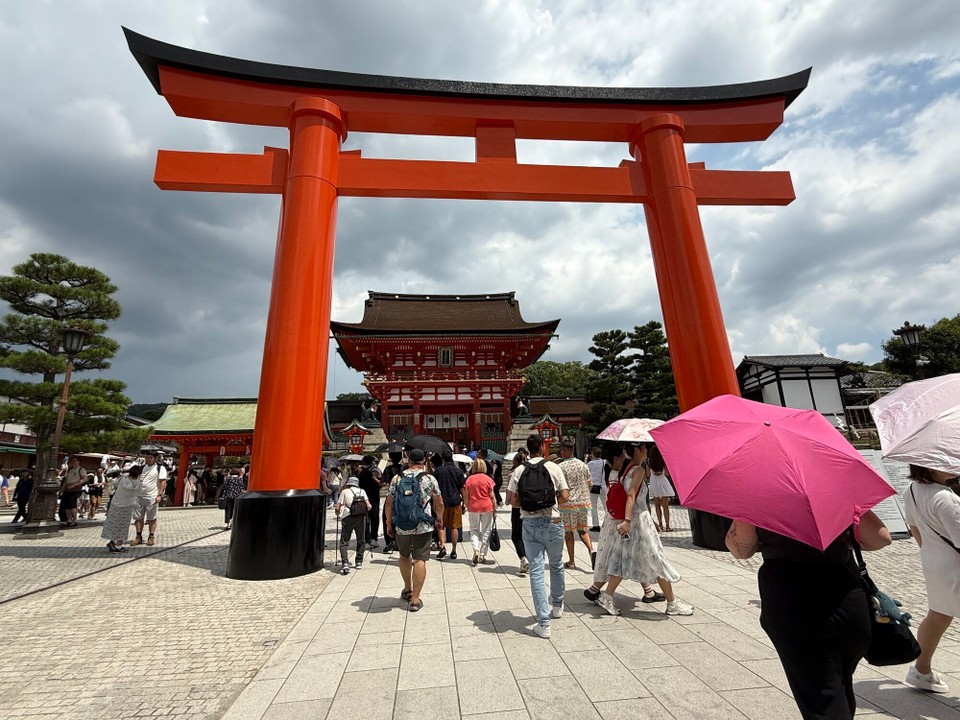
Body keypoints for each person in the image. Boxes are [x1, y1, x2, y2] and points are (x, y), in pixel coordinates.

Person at [726, 511, 891, 720]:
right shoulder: (836, 487)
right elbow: (881, 538)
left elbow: (741, 549)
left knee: (822, 701)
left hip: (792, 601)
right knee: (839, 686)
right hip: (846, 597)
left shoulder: (758, 494)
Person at [585, 443, 690, 616]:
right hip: (638, 522)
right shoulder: (638, 470)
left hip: (634, 521)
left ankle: (608, 596)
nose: (646, 451)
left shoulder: (625, 470)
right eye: (643, 448)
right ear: (635, 450)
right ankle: (672, 604)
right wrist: (627, 520)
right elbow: (632, 495)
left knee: (623, 560)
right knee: (655, 558)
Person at [902, 464, 960, 694]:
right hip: (954, 564)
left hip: (934, 560)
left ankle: (921, 669)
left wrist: (931, 552)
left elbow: (914, 527)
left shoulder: (912, 490)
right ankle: (920, 671)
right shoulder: (945, 498)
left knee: (938, 616)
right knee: (938, 616)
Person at [507, 434, 569, 639]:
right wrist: (551, 502)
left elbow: (512, 501)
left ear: (527, 448)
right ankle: (558, 605)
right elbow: (565, 496)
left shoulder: (519, 470)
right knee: (557, 564)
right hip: (554, 521)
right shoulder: (553, 467)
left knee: (536, 571)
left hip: (530, 524)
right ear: (542, 448)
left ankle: (543, 623)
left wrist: (529, 504)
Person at [385, 448, 444, 612]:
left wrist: (389, 522)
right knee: (420, 559)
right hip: (423, 524)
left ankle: (407, 588)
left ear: (408, 460)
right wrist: (439, 519)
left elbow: (389, 502)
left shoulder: (397, 479)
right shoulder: (429, 479)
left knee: (404, 556)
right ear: (424, 462)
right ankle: (416, 599)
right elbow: (438, 501)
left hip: (402, 525)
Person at [556, 437, 595, 569]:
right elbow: (590, 483)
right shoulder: (583, 465)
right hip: (583, 503)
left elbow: (559, 486)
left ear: (566, 450)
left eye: (562, 450)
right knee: (583, 530)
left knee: (569, 533)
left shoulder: (560, 467)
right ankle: (591, 550)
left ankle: (572, 561)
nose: (561, 453)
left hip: (568, 504)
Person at [101, 465, 144, 553]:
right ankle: (119, 546)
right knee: (123, 526)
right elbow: (139, 493)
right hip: (127, 505)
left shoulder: (123, 478)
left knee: (114, 524)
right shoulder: (138, 483)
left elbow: (114, 484)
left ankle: (112, 541)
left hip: (115, 503)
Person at [433, 450, 465, 560]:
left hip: (441, 502)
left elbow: (434, 490)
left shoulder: (438, 471)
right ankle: (454, 550)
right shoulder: (458, 471)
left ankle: (442, 547)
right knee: (454, 527)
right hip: (455, 502)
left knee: (441, 526)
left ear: (443, 459)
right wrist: (465, 502)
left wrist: (434, 503)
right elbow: (462, 488)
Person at [335, 475, 371, 574]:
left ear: (348, 483)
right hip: (360, 517)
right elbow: (368, 505)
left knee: (344, 541)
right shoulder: (362, 491)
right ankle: (359, 561)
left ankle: (345, 563)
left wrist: (337, 513)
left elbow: (338, 506)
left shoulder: (344, 492)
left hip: (348, 517)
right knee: (361, 539)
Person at [464, 458, 496, 564]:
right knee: (486, 530)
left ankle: (476, 549)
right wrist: (495, 509)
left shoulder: (469, 479)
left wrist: (466, 505)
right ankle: (483, 554)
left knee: (474, 530)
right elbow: (492, 496)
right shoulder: (488, 479)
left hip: (473, 506)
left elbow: (466, 495)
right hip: (487, 506)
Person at [131, 450, 167, 546]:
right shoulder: (142, 468)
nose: (148, 459)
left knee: (152, 518)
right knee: (138, 517)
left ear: (155, 458)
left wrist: (159, 494)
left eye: (150, 458)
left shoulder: (160, 468)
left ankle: (151, 536)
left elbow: (163, 482)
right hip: (139, 496)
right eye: (147, 457)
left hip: (152, 496)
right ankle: (138, 536)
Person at [508, 450, 530, 575]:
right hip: (533, 506)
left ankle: (523, 558)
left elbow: (511, 492)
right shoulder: (533, 468)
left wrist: (507, 501)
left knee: (516, 535)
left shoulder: (516, 471)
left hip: (518, 507)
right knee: (529, 535)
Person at [647, 445, 676, 532]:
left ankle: (660, 524)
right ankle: (667, 526)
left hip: (654, 482)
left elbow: (648, 474)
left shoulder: (649, 462)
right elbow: (667, 473)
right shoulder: (663, 461)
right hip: (663, 482)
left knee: (657, 505)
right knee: (665, 506)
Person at [379, 451, 404, 553]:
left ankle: (390, 541)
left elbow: (383, 483)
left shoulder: (388, 469)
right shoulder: (405, 468)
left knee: (387, 517)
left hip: (392, 496)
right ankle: (400, 542)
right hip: (403, 497)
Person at [358, 455, 382, 548]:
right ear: (372, 462)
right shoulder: (373, 473)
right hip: (374, 498)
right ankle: (374, 538)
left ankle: (366, 539)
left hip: (364, 498)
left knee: (366, 519)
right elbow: (379, 484)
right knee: (375, 518)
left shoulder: (361, 473)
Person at [59, 456, 84, 527]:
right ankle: (69, 520)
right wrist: (62, 490)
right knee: (67, 506)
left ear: (78, 462)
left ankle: (75, 520)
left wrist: (75, 484)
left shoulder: (81, 469)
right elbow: (65, 481)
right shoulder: (69, 470)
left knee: (72, 505)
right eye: (73, 461)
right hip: (67, 489)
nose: (73, 462)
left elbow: (84, 479)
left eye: (75, 460)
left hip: (75, 489)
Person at [587, 447, 606, 531]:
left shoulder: (591, 463)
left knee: (593, 507)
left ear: (592, 454)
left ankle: (596, 525)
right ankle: (607, 523)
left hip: (594, 486)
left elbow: (586, 473)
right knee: (606, 506)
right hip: (603, 486)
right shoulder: (604, 462)